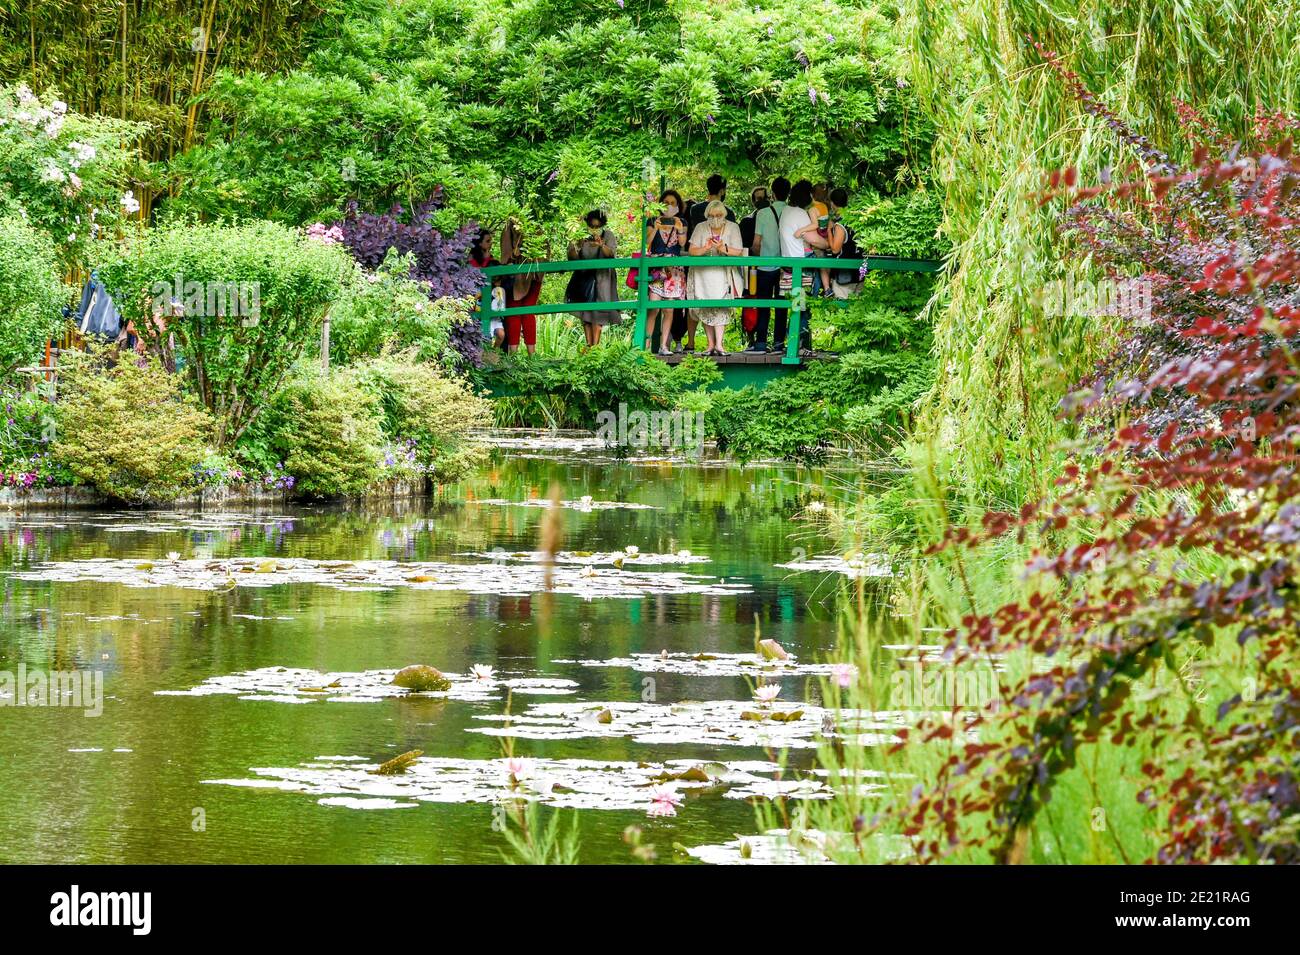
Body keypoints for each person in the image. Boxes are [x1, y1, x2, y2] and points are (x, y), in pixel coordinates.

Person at [686, 199, 745, 356]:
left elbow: (738, 251)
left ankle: (720, 344)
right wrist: (705, 248)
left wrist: (723, 248)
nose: (715, 218)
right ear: (707, 215)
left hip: (723, 274)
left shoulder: (733, 227)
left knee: (722, 306)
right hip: (703, 274)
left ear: (724, 214)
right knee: (705, 306)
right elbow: (692, 250)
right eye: (711, 215)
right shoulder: (700, 227)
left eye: (718, 215)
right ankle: (710, 344)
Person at [778, 179, 822, 353]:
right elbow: (814, 239)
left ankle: (797, 344)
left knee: (799, 306)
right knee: (803, 306)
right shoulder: (800, 214)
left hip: (789, 265)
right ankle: (801, 345)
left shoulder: (787, 211)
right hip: (801, 265)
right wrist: (830, 244)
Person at [567, 209, 621, 348]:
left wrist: (601, 244)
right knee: (585, 314)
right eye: (592, 226)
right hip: (584, 278)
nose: (594, 229)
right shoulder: (581, 236)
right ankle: (589, 346)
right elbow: (572, 258)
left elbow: (611, 254)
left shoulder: (608, 235)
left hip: (603, 279)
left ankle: (595, 349)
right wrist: (575, 244)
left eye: (597, 226)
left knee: (599, 313)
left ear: (602, 225)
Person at [644, 190, 687, 356]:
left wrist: (679, 228)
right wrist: (655, 227)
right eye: (666, 203)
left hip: (673, 271)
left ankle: (664, 346)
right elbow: (647, 242)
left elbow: (682, 243)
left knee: (669, 309)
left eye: (673, 203)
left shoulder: (681, 221)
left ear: (678, 206)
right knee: (653, 308)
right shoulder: (652, 220)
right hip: (656, 269)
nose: (669, 206)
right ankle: (646, 345)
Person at [746, 185, 784, 353]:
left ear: (772, 195)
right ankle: (778, 343)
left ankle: (761, 342)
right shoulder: (792, 212)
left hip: (764, 266)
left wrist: (757, 256)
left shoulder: (762, 214)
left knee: (763, 305)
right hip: (787, 268)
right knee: (782, 304)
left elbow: (756, 243)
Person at [501, 219, 542, 354]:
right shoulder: (511, 226)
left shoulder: (536, 225)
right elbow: (506, 255)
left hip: (530, 274)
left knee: (522, 313)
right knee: (518, 313)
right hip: (522, 276)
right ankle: (523, 355)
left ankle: (525, 355)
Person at [468, 228, 506, 349]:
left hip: (491, 299)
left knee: (500, 334)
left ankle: (493, 355)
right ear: (480, 243)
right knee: (485, 334)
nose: (491, 243)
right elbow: (479, 274)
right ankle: (486, 358)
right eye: (488, 241)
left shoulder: (490, 258)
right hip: (479, 301)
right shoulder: (472, 258)